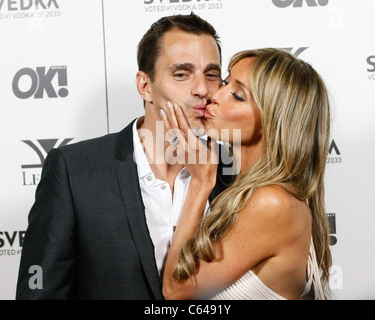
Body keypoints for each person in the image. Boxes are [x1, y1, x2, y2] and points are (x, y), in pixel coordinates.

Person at [16, 13, 234, 300]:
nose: (202, 90)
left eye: (211, 74)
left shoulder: (235, 171)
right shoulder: (74, 171)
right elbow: (39, 291)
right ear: (145, 87)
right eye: (181, 74)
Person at [160, 48, 332, 300]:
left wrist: (200, 181)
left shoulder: (272, 202)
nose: (214, 95)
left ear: (272, 122)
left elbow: (176, 291)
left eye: (238, 96)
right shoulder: (261, 195)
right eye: (226, 83)